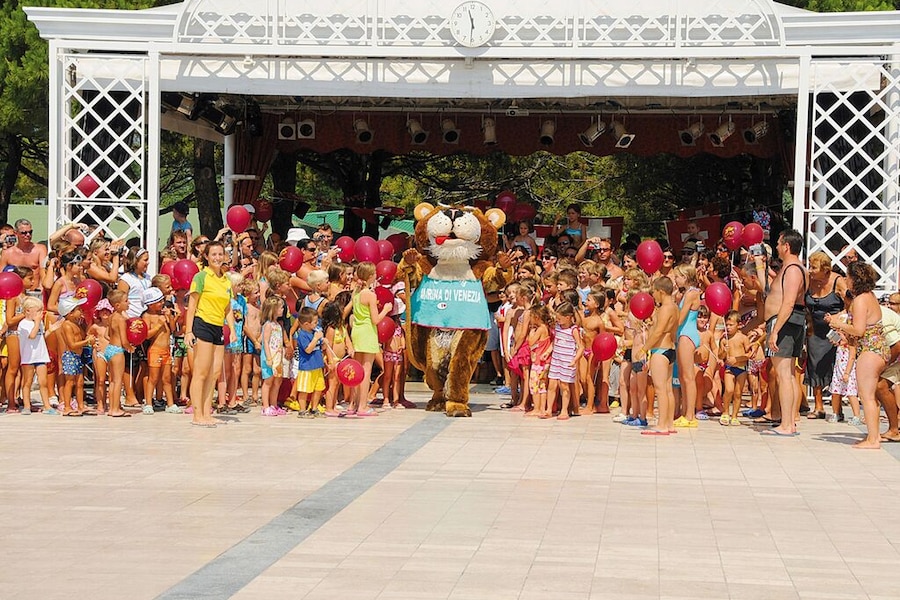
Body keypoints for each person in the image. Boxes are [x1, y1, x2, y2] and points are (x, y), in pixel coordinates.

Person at [825, 261, 888, 449]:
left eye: (848, 276)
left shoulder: (860, 300)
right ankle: (874, 436)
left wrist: (838, 324)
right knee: (870, 396)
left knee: (866, 396)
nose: (846, 280)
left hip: (870, 350)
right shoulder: (869, 296)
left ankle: (873, 439)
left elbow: (859, 330)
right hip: (877, 348)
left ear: (855, 279)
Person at [183, 241, 236, 427]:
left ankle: (207, 412)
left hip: (218, 327)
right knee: (201, 371)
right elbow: (192, 306)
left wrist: (233, 329)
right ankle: (197, 414)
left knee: (214, 373)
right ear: (206, 256)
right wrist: (188, 331)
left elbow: (227, 307)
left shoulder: (226, 280)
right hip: (202, 324)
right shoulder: (201, 277)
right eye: (213, 254)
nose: (217, 258)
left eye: (220, 254)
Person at [763, 229, 808, 437]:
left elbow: (789, 302)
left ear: (787, 246)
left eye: (779, 243)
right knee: (788, 375)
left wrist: (775, 331)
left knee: (784, 375)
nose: (777, 247)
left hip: (785, 323)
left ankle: (787, 424)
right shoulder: (795, 268)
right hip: (789, 322)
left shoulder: (793, 269)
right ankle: (789, 422)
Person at [804, 252, 846, 419]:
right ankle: (818, 406)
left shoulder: (838, 281)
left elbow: (851, 304)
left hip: (835, 330)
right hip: (815, 329)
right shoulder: (809, 280)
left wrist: (838, 318)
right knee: (815, 365)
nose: (810, 270)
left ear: (826, 269)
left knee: (836, 366)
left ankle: (838, 408)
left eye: (814, 267)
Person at [348, 261, 392, 417]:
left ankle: (353, 404)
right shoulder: (370, 295)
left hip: (357, 331)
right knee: (366, 370)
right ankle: (362, 406)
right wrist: (385, 309)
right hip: (367, 332)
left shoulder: (356, 293)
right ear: (370, 276)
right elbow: (375, 319)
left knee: (357, 370)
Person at [642, 276, 678, 435]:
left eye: (654, 292)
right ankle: (669, 424)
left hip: (660, 351)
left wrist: (644, 349)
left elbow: (658, 332)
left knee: (660, 389)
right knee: (668, 389)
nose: (653, 296)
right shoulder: (675, 308)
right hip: (670, 349)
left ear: (661, 292)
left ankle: (662, 425)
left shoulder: (665, 308)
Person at [142, 287, 180, 414]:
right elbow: (146, 335)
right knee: (153, 378)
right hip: (155, 350)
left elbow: (172, 329)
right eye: (159, 302)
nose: (162, 303)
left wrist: (171, 318)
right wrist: (158, 324)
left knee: (167, 379)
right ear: (150, 304)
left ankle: (170, 403)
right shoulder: (147, 316)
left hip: (166, 350)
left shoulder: (163, 314)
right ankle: (148, 403)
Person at [673, 264, 702, 427]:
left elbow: (681, 318)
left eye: (677, 276)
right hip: (682, 334)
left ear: (685, 277)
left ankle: (690, 415)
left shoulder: (692, 293)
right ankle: (685, 412)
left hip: (686, 335)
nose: (675, 279)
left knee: (688, 377)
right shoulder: (686, 293)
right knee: (682, 376)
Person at [17, 296, 55, 414]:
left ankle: (47, 406)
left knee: (43, 382)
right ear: (28, 310)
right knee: (27, 382)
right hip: (28, 357)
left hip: (40, 355)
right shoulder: (24, 324)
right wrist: (37, 322)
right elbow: (32, 336)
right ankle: (27, 406)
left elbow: (41, 337)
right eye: (38, 310)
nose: (40, 313)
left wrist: (50, 330)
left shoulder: (39, 323)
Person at [547, 301, 584, 420]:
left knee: (564, 386)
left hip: (567, 361)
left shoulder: (573, 330)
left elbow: (581, 347)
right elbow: (555, 342)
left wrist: (574, 360)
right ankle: (548, 409)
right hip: (556, 360)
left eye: (559, 318)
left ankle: (564, 410)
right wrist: (547, 352)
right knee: (552, 384)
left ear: (568, 317)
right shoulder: (558, 327)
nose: (557, 320)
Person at [57, 296, 93, 416]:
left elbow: (82, 336)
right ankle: (67, 407)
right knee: (70, 382)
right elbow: (72, 345)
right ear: (70, 313)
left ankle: (80, 405)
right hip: (70, 355)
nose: (81, 312)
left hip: (77, 356)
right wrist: (87, 342)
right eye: (78, 310)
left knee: (80, 382)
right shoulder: (67, 325)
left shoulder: (76, 324)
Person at [827, 309, 861, 425]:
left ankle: (856, 415)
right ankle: (836, 412)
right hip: (838, 372)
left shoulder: (851, 346)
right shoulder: (840, 346)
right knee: (835, 393)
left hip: (848, 373)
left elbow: (851, 358)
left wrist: (847, 373)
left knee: (851, 394)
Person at [104, 290, 134, 418]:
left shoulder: (111, 317)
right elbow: (124, 340)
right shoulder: (120, 319)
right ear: (117, 305)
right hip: (117, 350)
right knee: (118, 381)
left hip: (109, 348)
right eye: (126, 301)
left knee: (112, 381)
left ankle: (112, 408)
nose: (129, 303)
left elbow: (107, 335)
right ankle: (116, 409)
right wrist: (130, 348)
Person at [719, 310, 751, 426]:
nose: (728, 327)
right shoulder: (724, 340)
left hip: (741, 368)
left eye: (731, 325)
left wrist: (737, 359)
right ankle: (725, 412)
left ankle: (734, 415)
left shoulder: (743, 338)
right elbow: (720, 356)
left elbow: (749, 354)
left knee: (738, 393)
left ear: (739, 325)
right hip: (729, 368)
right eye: (727, 325)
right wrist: (724, 351)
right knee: (729, 390)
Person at [295, 307, 326, 418]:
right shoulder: (302, 335)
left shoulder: (314, 332)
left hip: (317, 365)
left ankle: (314, 408)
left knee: (318, 388)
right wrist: (315, 339)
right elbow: (308, 349)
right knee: (304, 390)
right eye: (315, 322)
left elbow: (321, 347)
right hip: (307, 367)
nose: (317, 324)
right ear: (306, 324)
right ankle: (302, 410)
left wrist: (323, 341)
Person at [259, 295, 287, 417]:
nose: (282, 309)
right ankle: (265, 406)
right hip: (270, 356)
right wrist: (269, 357)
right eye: (280, 308)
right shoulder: (268, 325)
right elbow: (265, 341)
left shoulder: (278, 325)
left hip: (278, 357)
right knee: (268, 381)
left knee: (277, 382)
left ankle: (273, 404)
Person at [0, 219, 47, 290]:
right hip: (14, 291)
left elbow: (43, 271)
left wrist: (41, 288)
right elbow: (1, 274)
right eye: (24, 233)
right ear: (16, 233)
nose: (28, 235)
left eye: (30, 232)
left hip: (34, 291)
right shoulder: (7, 252)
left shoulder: (40, 249)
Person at [89, 299, 114, 415]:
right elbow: (89, 336)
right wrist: (93, 343)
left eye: (107, 310)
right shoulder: (95, 326)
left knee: (113, 380)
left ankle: (113, 403)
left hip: (112, 353)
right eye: (102, 310)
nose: (105, 313)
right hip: (100, 353)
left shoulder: (113, 326)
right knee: (100, 380)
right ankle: (100, 403)